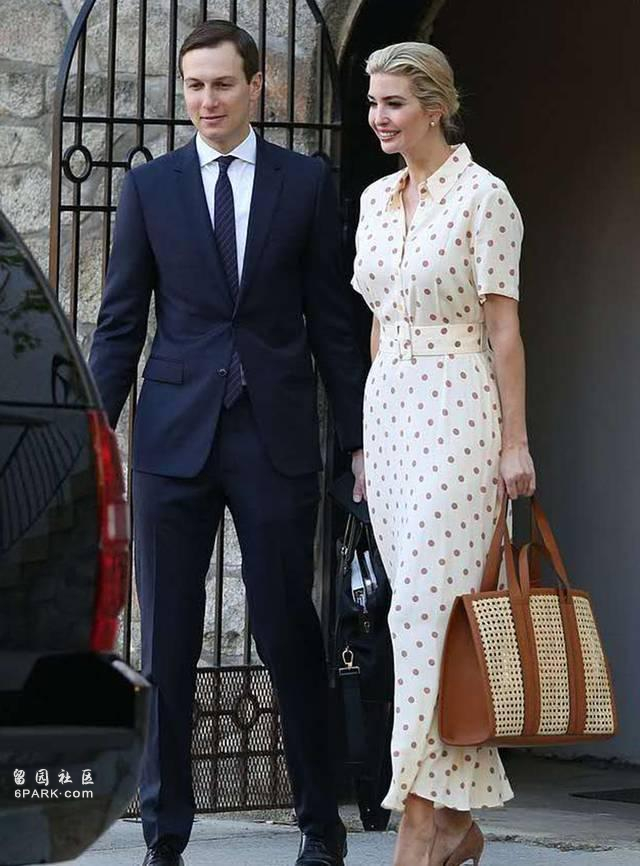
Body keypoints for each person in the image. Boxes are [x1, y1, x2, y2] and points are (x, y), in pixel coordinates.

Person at [90, 19, 366, 866]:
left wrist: (359, 442)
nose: (206, 101)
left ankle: (320, 827)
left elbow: (335, 325)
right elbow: (120, 323)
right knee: (167, 642)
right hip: (172, 443)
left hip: (274, 438)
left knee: (287, 630)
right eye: (194, 86)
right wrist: (91, 438)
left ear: (256, 88)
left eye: (220, 85)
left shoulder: (304, 183)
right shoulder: (152, 188)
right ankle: (164, 834)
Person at [351, 42, 535, 866]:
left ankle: (421, 822)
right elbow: (379, 320)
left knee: (430, 613)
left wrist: (515, 443)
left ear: (436, 107)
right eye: (372, 103)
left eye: (393, 103)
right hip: (391, 414)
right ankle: (457, 821)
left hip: (460, 408)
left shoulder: (485, 196)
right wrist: (369, 441)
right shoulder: (375, 200)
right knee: (418, 617)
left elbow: (505, 330)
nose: (379, 118)